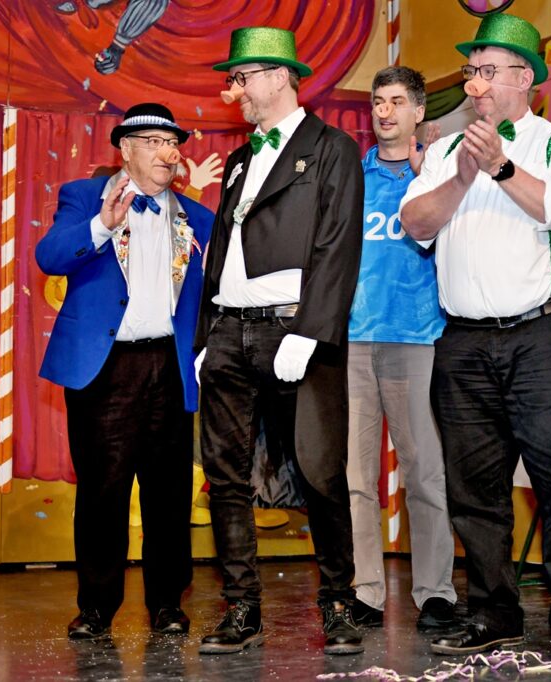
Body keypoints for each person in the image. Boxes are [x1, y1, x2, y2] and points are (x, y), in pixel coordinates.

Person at [400, 12, 551, 661]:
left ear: (524, 78)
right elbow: (415, 224)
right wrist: (464, 175)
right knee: (474, 489)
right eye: (471, 71)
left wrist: (502, 167)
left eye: (488, 71)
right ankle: (494, 613)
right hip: (462, 343)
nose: (475, 84)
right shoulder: (443, 154)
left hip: (543, 337)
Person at [194, 27, 364, 655]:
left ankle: (339, 603)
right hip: (230, 329)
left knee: (319, 471)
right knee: (226, 475)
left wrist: (311, 330)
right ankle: (241, 609)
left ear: (278, 76)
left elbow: (338, 247)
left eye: (241, 77)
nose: (232, 89)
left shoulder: (332, 148)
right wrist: (208, 334)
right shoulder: (240, 159)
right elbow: (221, 251)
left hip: (295, 329)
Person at [36, 102, 213, 639]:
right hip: (105, 367)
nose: (168, 152)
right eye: (155, 142)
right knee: (102, 492)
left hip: (169, 366)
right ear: (126, 149)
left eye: (172, 142)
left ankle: (167, 604)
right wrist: (102, 226)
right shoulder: (84, 197)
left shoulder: (198, 217)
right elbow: (50, 256)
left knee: (169, 495)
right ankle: (95, 608)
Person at [345, 65, 458, 632]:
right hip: (352, 339)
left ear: (419, 111)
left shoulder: (436, 175)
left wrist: (426, 172)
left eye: (396, 101)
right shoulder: (350, 178)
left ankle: (436, 591)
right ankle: (365, 591)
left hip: (416, 335)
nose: (384, 112)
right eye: (377, 102)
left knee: (425, 471)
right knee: (356, 476)